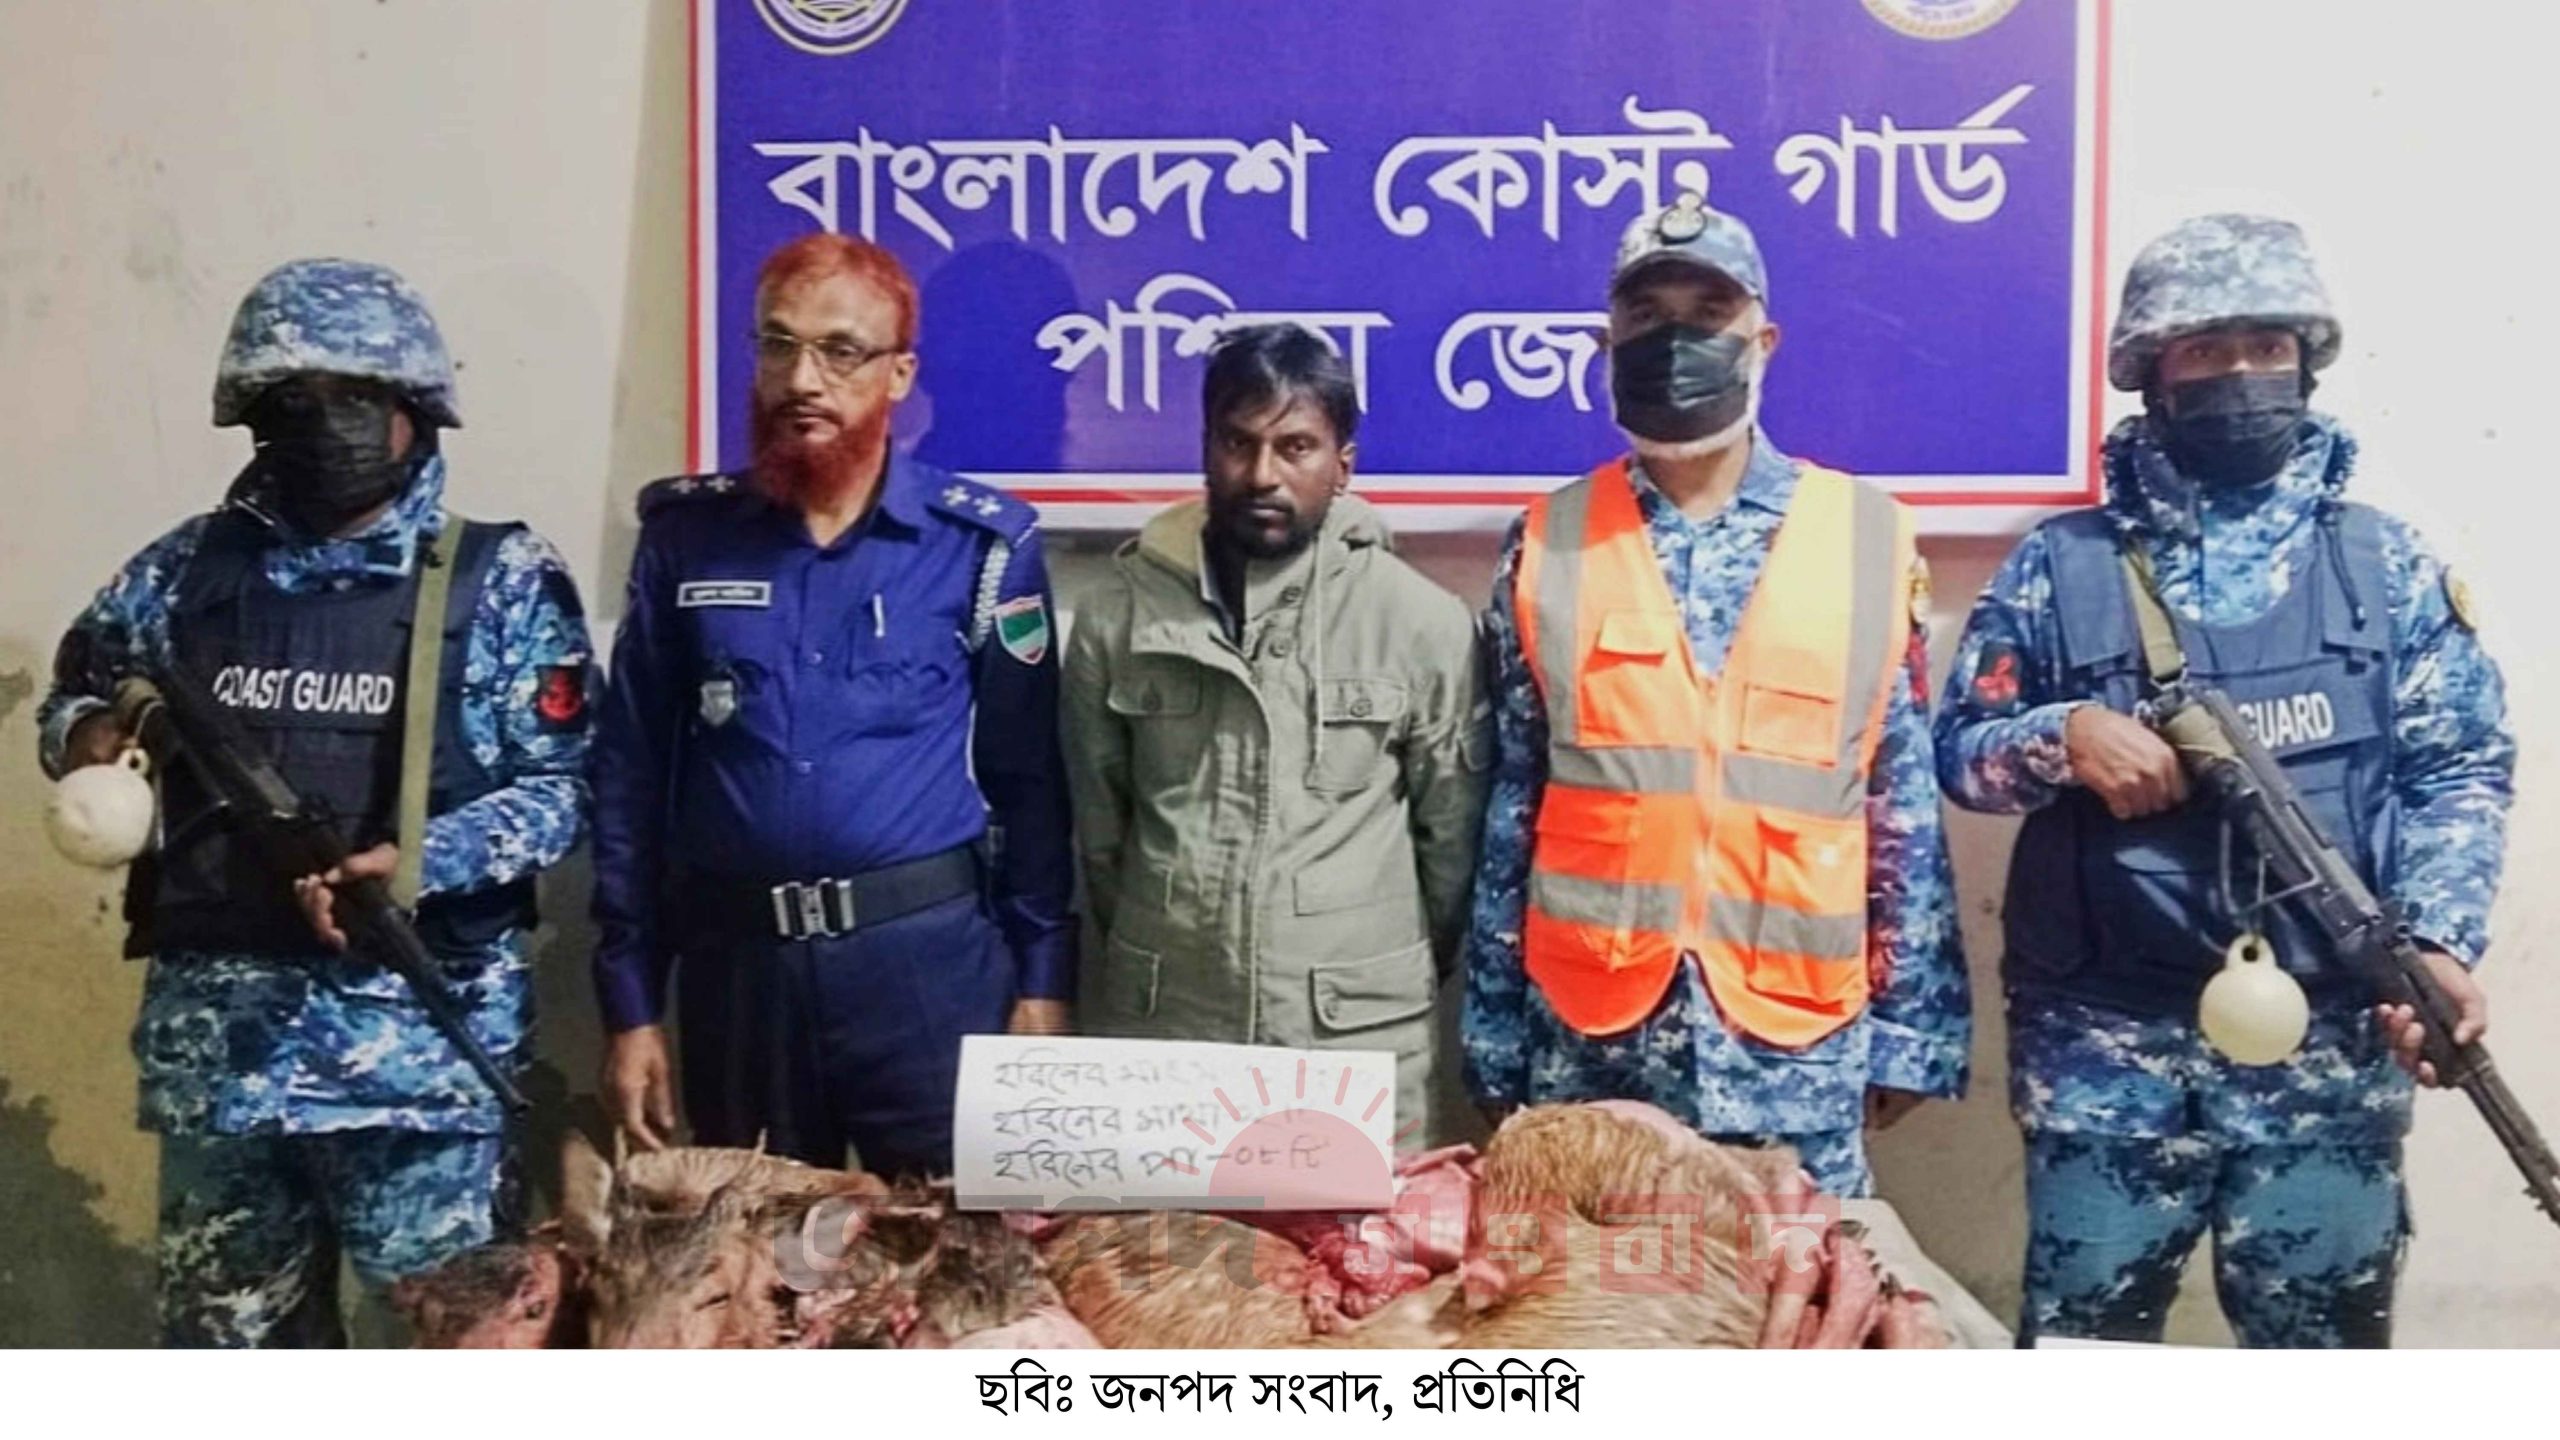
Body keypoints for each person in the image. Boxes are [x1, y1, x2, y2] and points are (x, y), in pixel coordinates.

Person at [1934, 214, 2513, 1346]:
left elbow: (2459, 768)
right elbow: (1958, 752)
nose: (2242, 373)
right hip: (2106, 1062)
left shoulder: (2384, 564)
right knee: (2084, 1377)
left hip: (2329, 1060)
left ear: (2307, 359)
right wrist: (2063, 735)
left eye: (2266, 345)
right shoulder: (2060, 566)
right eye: (2205, 349)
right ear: (2152, 371)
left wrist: (2439, 942)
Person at [36, 259, 595, 1346]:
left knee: (449, 1369)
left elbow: (562, 789)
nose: (323, 424)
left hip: (419, 1076)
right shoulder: (181, 572)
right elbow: (76, 694)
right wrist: (88, 738)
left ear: (413, 408)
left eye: (353, 397)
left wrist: (420, 859)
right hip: (224, 1076)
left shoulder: (500, 581)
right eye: (292, 400)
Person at [1460, 195, 1970, 1197]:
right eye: (1647, 316)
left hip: (1793, 1048)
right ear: (1607, 344)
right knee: (1592, 1292)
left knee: (1800, 1292)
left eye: (1709, 312)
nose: (1676, 340)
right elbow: (1514, 803)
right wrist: (1491, 1034)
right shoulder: (1550, 541)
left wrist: (1914, 1029)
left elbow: (1899, 804)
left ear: (1762, 341)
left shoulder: (1866, 537)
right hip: (1591, 1045)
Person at [590, 232, 1074, 1177]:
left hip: (927, 976)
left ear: (900, 375)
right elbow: (628, 783)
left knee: (956, 1248)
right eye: (779, 345)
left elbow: (1029, 786)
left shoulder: (979, 547)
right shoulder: (688, 539)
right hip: (741, 981)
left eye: (841, 351)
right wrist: (630, 1003)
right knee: (757, 1249)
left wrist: (1044, 985)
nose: (803, 379)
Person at [1061, 324, 1487, 1144]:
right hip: (1173, 1027)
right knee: (1173, 1234)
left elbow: (1452, 849)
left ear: (1343, 464)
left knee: (1364, 1234)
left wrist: (1363, 957)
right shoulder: (1120, 617)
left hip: (1352, 1037)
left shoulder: (1418, 623)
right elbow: (1101, 838)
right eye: (1238, 443)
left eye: (1295, 447)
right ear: (1205, 447)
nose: (1262, 475)